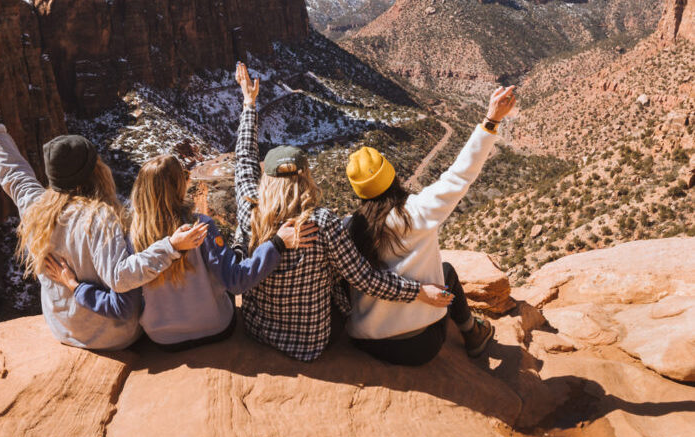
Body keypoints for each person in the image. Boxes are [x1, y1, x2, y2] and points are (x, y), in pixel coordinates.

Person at [0, 89, 206, 351]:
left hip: (63, 329)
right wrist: (171, 247)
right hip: (112, 336)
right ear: (96, 172)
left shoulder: (34, 206)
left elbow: (13, 172)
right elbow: (120, 277)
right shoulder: (99, 218)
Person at [232, 63, 437, 362]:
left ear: (267, 180)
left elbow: (243, 161)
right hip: (310, 343)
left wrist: (249, 105)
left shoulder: (248, 208)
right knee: (342, 265)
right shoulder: (322, 222)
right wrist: (418, 292)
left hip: (258, 329)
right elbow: (365, 279)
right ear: (305, 178)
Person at [44, 154, 318, 350]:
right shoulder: (201, 227)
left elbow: (123, 305)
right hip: (216, 329)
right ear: (178, 187)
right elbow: (237, 281)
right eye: (185, 177)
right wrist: (277, 244)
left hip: (164, 340)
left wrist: (74, 286)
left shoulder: (131, 237)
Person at [344, 86, 517, 366]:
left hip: (365, 341)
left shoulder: (350, 227)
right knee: (446, 271)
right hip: (419, 346)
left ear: (359, 191)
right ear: (391, 176)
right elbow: (460, 175)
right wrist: (491, 120)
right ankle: (473, 333)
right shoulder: (418, 211)